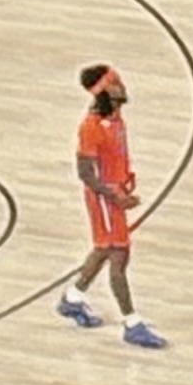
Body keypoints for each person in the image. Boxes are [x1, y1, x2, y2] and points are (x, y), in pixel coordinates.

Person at [61, 63, 165, 348]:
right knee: (118, 256)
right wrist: (113, 195)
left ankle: (73, 299)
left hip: (114, 193)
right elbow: (84, 173)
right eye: (117, 82)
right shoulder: (91, 127)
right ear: (107, 91)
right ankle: (132, 323)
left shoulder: (115, 116)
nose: (124, 85)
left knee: (103, 250)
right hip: (104, 198)